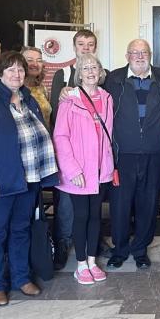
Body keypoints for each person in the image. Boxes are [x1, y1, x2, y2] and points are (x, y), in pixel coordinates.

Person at [0, 51, 58, 306]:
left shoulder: (28, 98)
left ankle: (21, 278)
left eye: (20, 70)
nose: (17, 74)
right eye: (11, 70)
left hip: (29, 178)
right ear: (0, 73)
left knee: (21, 229)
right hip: (1, 181)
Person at [103, 39, 160, 270]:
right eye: (135, 52)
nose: (140, 56)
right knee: (120, 205)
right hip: (122, 154)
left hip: (154, 153)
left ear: (150, 54)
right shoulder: (113, 79)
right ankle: (120, 249)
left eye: (144, 52)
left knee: (149, 203)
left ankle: (141, 249)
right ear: (127, 56)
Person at [52, 52, 115, 285]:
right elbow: (60, 136)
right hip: (78, 171)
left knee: (95, 216)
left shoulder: (107, 98)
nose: (90, 72)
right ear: (79, 74)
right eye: (85, 68)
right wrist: (72, 169)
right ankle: (80, 265)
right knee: (81, 216)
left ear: (101, 73)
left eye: (94, 67)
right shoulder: (69, 100)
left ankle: (92, 261)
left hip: (100, 169)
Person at [49, 29, 98, 270]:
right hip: (70, 154)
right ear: (74, 47)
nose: (85, 48)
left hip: (93, 155)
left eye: (90, 44)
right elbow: (56, 117)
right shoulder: (63, 75)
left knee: (91, 205)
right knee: (67, 204)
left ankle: (92, 243)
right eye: (81, 44)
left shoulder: (101, 74)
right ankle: (63, 242)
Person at [22, 46, 51, 129]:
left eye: (39, 61)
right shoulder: (15, 89)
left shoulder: (43, 89)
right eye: (30, 60)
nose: (35, 64)